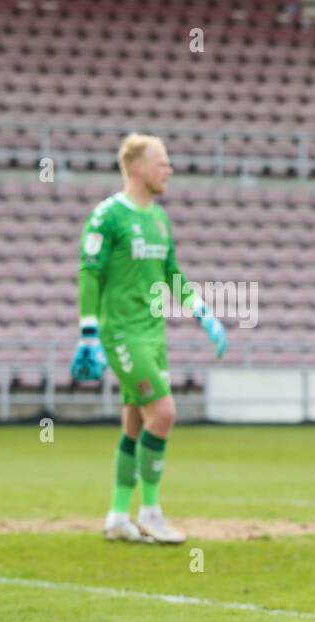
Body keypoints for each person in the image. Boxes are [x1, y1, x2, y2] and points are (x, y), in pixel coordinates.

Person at [70, 134, 227, 544]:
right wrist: (88, 332)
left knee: (136, 426)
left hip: (153, 332)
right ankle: (151, 512)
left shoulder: (159, 219)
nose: (169, 169)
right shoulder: (108, 215)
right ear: (138, 168)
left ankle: (117, 516)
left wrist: (203, 312)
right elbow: (90, 272)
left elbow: (172, 272)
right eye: (162, 162)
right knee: (165, 414)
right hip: (122, 331)